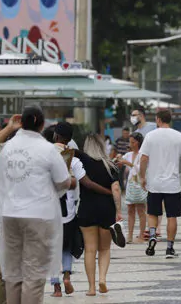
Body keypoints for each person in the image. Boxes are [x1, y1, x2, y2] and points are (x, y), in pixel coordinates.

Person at [0, 108, 71, 303]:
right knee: (33, 274)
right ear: (42, 125)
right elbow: (64, 181)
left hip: (10, 216)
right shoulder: (47, 149)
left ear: (21, 122)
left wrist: (8, 128)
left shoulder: (9, 148)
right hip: (38, 216)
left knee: (12, 273)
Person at [49, 122, 115, 297]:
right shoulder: (77, 160)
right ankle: (88, 278)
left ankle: (67, 287)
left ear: (55, 136)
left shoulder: (46, 154)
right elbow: (86, 183)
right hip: (73, 212)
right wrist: (109, 194)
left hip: (52, 211)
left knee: (78, 249)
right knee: (90, 249)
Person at [74, 134, 123, 296]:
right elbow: (116, 190)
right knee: (104, 248)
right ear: (103, 147)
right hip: (106, 210)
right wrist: (118, 211)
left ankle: (91, 288)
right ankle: (102, 279)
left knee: (90, 249)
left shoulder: (81, 164)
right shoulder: (111, 167)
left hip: (86, 209)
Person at [139, 109, 181, 258]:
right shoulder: (179, 136)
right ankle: (169, 248)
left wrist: (142, 177)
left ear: (157, 119)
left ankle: (152, 236)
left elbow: (143, 158)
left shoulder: (150, 136)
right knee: (172, 216)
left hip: (154, 183)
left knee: (152, 213)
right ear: (170, 120)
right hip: (172, 184)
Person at [117, 132, 147, 243]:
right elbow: (121, 161)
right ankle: (129, 235)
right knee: (130, 209)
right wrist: (119, 159)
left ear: (138, 143)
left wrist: (127, 163)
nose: (130, 144)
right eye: (130, 142)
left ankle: (141, 235)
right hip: (131, 184)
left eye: (132, 142)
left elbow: (141, 168)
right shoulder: (128, 154)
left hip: (140, 184)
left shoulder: (143, 154)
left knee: (141, 209)